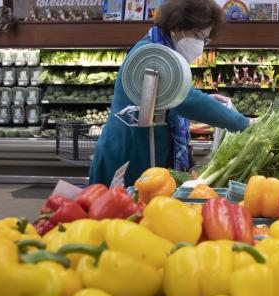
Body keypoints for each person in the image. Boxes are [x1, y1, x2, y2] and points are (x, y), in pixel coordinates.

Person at [90, 0, 251, 186]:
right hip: (127, 158)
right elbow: (184, 98)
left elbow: (169, 94)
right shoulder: (151, 55)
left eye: (205, 39)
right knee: (123, 211)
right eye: (198, 36)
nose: (201, 45)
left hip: (147, 158)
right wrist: (243, 123)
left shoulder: (162, 49)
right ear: (177, 26)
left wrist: (206, 99)